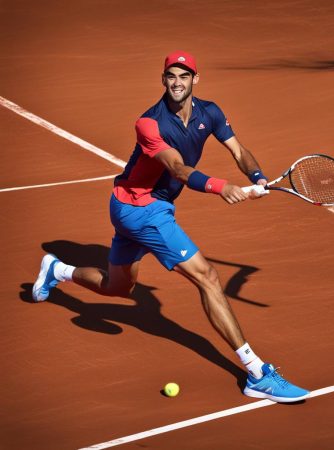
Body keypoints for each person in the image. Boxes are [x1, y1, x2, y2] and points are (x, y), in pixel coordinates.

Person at [32, 51, 309, 402]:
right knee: (206, 277)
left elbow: (239, 151)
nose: (177, 83)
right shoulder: (149, 123)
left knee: (117, 287)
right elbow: (177, 169)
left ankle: (57, 269)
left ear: (196, 79)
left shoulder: (211, 112)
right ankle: (256, 373)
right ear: (163, 80)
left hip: (135, 205)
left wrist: (258, 177)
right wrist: (221, 187)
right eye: (171, 76)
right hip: (141, 210)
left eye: (184, 76)